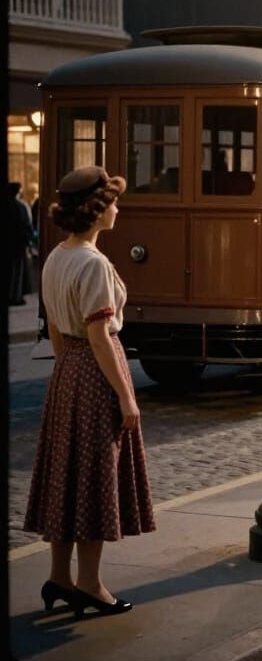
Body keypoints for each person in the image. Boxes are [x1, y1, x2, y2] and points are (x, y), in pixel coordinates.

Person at [23, 164, 155, 618]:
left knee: (66, 476)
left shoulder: (57, 256)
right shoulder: (93, 263)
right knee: (96, 477)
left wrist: (68, 372)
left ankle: (59, 578)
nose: (118, 208)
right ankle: (90, 585)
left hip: (68, 372)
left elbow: (59, 331)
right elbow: (100, 336)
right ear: (98, 212)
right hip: (96, 373)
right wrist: (125, 395)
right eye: (113, 201)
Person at [8, 181, 33, 304]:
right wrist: (29, 241)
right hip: (18, 243)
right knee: (17, 271)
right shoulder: (21, 206)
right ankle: (15, 297)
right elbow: (26, 226)